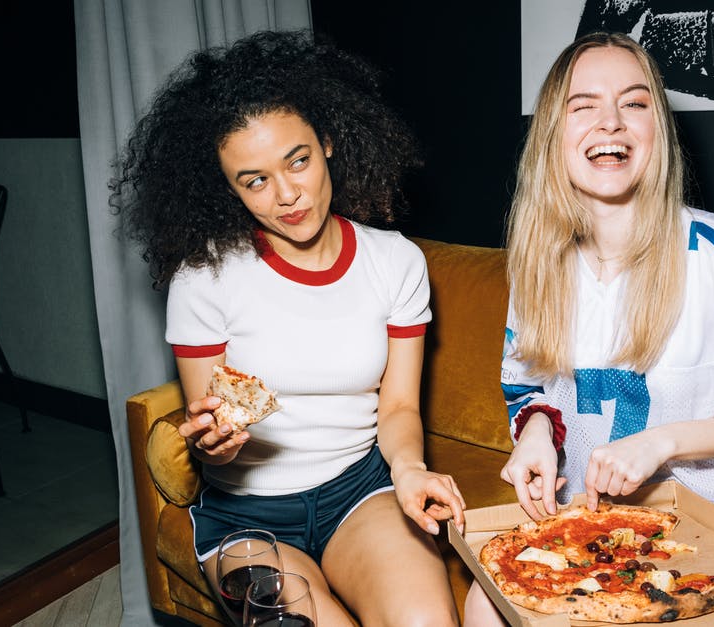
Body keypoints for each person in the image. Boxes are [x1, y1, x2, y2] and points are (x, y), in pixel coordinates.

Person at [463, 32, 714, 625]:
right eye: (583, 105)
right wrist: (535, 432)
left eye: (634, 103)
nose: (610, 122)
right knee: (482, 604)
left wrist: (664, 441)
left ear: (658, 128)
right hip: (590, 534)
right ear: (554, 134)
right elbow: (527, 389)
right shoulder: (537, 261)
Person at [112, 30, 465, 627]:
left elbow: (400, 405)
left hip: (362, 494)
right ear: (226, 188)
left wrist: (408, 472)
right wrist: (211, 441)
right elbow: (212, 416)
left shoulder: (396, 262)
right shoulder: (204, 277)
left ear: (328, 143)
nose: (286, 195)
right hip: (243, 519)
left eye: (297, 160)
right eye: (254, 180)